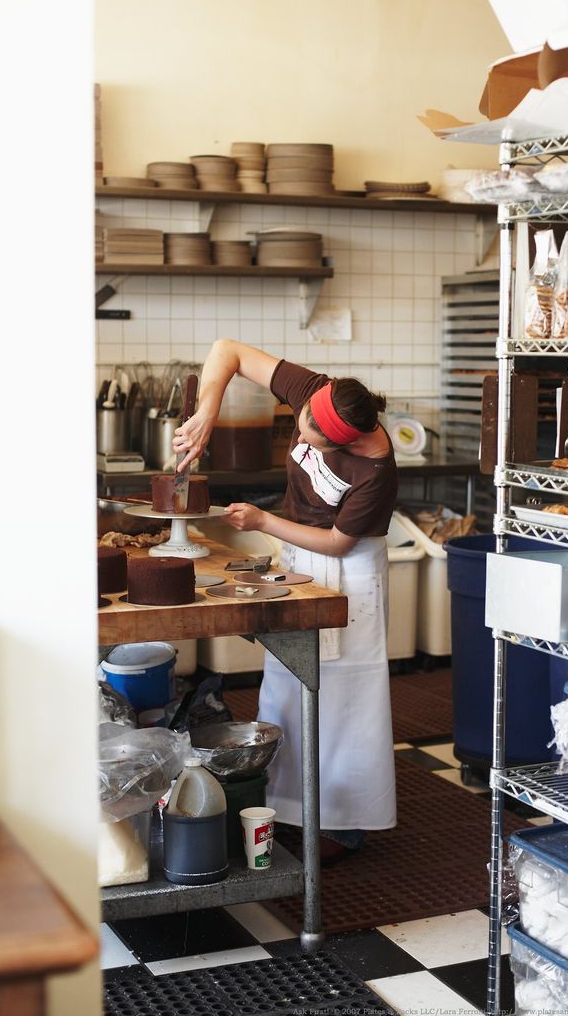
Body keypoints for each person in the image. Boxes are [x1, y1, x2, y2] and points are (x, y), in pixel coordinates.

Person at [173, 338, 397, 861]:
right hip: (298, 560)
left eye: (310, 439)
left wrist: (263, 521)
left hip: (350, 572)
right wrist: (209, 411)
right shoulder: (319, 393)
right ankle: (287, 807)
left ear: (344, 443)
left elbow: (340, 542)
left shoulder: (376, 472)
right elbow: (226, 350)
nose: (302, 436)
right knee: (287, 686)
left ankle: (345, 824)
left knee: (345, 702)